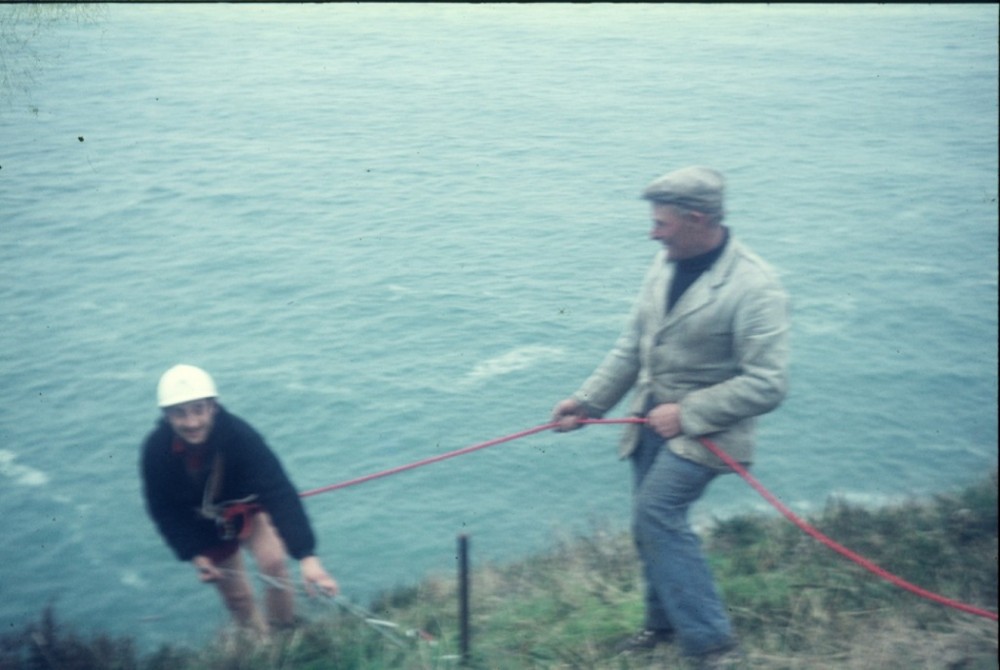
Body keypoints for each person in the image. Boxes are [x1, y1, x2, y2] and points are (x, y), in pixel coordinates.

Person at [551, 167, 789, 669]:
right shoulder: (664, 264)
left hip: (709, 433)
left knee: (656, 516)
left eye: (662, 223)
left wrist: (688, 413)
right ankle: (662, 627)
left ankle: (712, 646)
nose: (652, 232)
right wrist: (588, 403)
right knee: (647, 525)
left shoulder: (755, 286)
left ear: (697, 218)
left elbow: (767, 383)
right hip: (649, 423)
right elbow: (631, 349)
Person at [141, 364, 339, 636]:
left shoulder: (240, 437)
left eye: (199, 409)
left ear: (213, 407)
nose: (192, 422)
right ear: (166, 416)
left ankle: (284, 634)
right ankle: (260, 647)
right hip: (204, 525)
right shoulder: (156, 450)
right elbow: (162, 509)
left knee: (274, 565)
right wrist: (193, 552)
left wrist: (306, 556)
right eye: (179, 413)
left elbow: (278, 491)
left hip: (246, 510)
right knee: (238, 599)